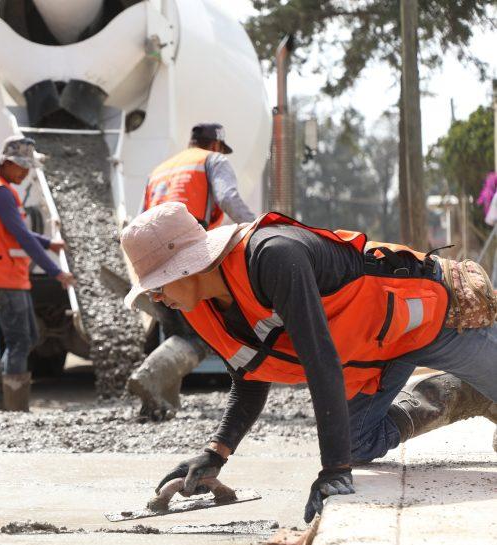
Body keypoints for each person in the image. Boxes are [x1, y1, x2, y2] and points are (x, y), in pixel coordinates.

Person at [120, 202, 497, 522]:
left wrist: (333, 471)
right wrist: (215, 454)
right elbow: (249, 378)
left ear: (187, 267)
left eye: (158, 286)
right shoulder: (202, 305)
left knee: (341, 458)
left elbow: (321, 361)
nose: (158, 299)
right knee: (356, 446)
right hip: (379, 349)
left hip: (430, 315)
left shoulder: (273, 255)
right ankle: (466, 393)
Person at [129, 123, 257, 421]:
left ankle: (162, 405)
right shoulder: (212, 160)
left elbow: (137, 221)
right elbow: (227, 198)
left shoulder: (160, 170)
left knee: (176, 331)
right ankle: (150, 377)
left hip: (152, 258)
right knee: (202, 334)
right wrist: (258, 228)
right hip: (187, 254)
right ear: (215, 145)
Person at [0, 135, 75, 412]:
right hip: (1, 277)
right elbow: (21, 237)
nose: (26, 173)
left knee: (27, 337)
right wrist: (55, 271)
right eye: (22, 167)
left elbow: (19, 232)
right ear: (5, 163)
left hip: (6, 276)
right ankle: (12, 407)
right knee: (20, 339)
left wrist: (48, 242)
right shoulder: (0, 192)